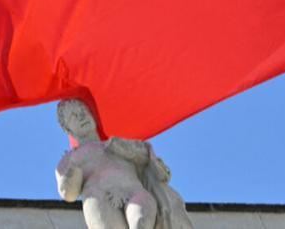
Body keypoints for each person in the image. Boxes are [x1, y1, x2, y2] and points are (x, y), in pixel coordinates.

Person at [55, 98, 193, 229]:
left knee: (141, 221)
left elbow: (147, 160)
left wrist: (130, 150)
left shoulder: (117, 144)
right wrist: (72, 174)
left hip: (134, 191)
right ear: (68, 129)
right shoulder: (70, 159)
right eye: (73, 116)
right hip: (100, 197)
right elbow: (67, 193)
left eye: (84, 111)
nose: (81, 116)